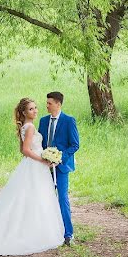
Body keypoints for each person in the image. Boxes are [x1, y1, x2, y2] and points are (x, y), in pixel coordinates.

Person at [0, 98, 65, 256]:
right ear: (23, 112)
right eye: (30, 109)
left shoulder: (26, 126)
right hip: (35, 165)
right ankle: (32, 232)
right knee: (35, 196)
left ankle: (31, 229)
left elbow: (24, 150)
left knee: (31, 197)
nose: (35, 111)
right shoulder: (29, 128)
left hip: (32, 165)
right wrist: (43, 159)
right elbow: (27, 150)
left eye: (35, 108)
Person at [38, 91, 80, 246]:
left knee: (62, 198)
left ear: (58, 104)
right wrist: (44, 158)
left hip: (61, 167)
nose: (47, 106)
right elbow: (41, 143)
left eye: (49, 103)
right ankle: (47, 232)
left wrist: (59, 158)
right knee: (44, 199)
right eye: (46, 103)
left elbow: (75, 145)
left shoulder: (69, 121)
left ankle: (68, 234)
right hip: (44, 167)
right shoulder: (43, 121)